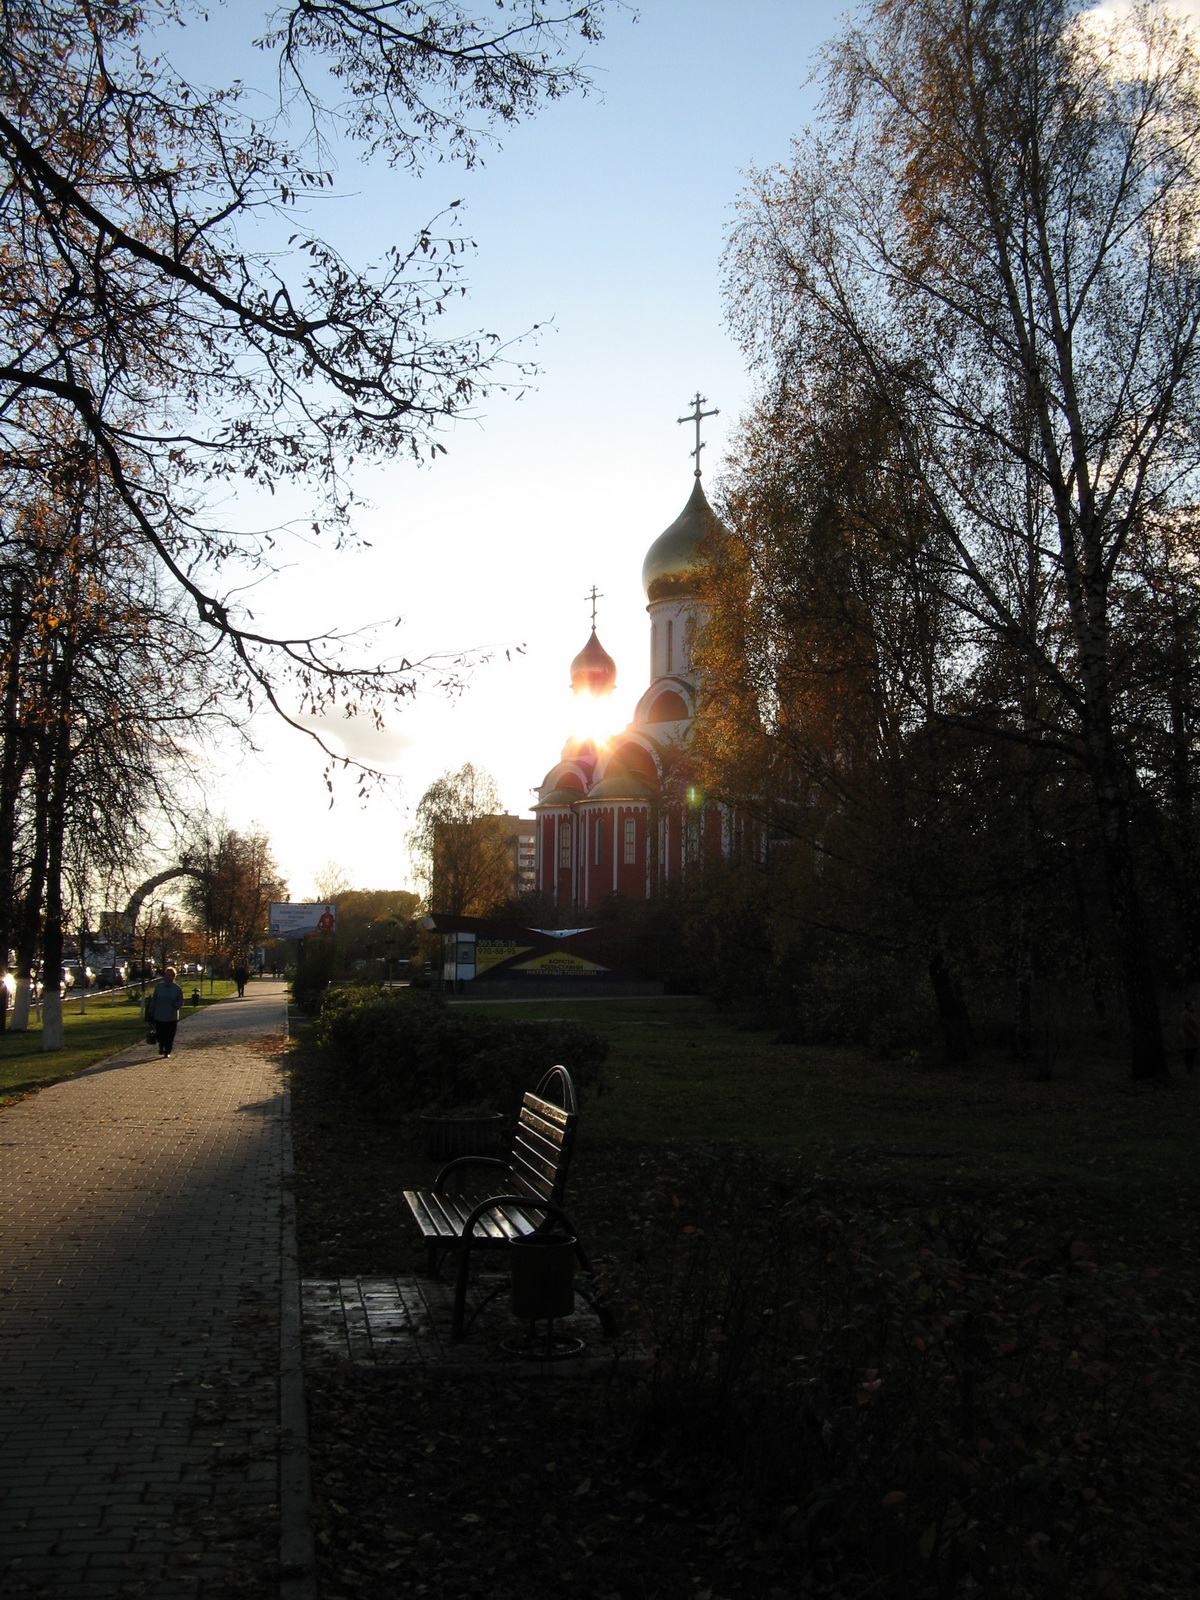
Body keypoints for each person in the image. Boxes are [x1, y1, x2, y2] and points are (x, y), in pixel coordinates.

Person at [148, 966, 185, 1058]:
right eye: (167, 975)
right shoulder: (159, 987)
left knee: (170, 1035)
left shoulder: (177, 988)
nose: (168, 977)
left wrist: (175, 1006)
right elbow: (154, 999)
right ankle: (161, 1046)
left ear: (174, 976)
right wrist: (151, 1011)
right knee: (160, 1034)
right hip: (159, 1015)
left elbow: (180, 1000)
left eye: (170, 975)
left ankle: (167, 1050)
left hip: (171, 1016)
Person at [1182, 997, 1200, 1075]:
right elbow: (1186, 1026)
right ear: (1188, 1006)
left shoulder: (1194, 1014)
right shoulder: (1185, 1014)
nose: (1194, 1006)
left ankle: (1191, 1069)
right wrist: (1193, 1033)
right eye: (1192, 1005)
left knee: (1193, 1053)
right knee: (1189, 1054)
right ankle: (1188, 1069)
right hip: (1190, 1038)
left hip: (1195, 1037)